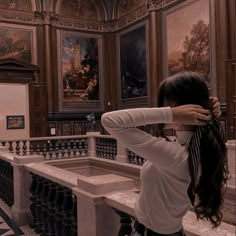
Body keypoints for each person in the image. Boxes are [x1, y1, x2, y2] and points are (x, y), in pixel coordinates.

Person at [101, 71, 230, 236]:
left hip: (149, 232)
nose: (164, 108)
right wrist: (208, 114)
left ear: (176, 106)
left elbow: (109, 120)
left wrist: (171, 114)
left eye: (166, 105)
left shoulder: (174, 155)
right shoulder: (203, 148)